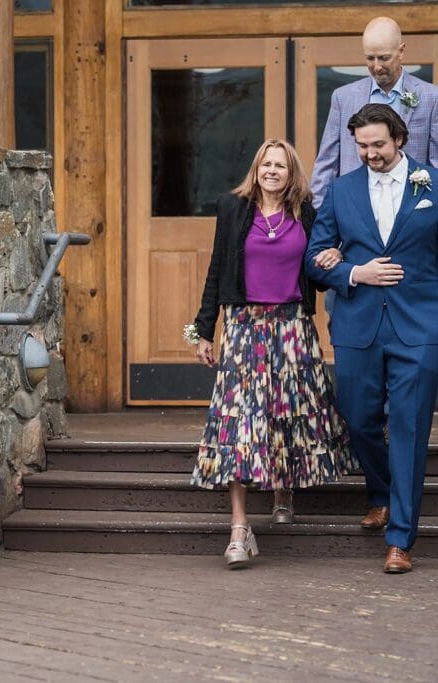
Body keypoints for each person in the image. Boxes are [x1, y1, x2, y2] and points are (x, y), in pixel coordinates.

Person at [304, 104, 438, 574]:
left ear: (399, 138)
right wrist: (353, 271)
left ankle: (400, 538)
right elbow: (314, 258)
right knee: (358, 419)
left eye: (378, 144)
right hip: (358, 323)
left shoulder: (435, 186)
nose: (370, 153)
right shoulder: (341, 191)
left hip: (418, 327)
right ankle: (380, 491)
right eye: (362, 146)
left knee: (409, 425)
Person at [190, 138, 357, 569]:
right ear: (256, 168)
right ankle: (239, 531)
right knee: (239, 427)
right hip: (245, 329)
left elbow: (317, 277)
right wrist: (204, 330)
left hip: (293, 329)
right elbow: (216, 269)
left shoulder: (307, 214)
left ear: (291, 172)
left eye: (280, 165)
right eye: (266, 164)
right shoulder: (232, 209)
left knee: (286, 415)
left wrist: (333, 257)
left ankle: (284, 490)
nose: (272, 171)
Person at [310, 16, 438, 209]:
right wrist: (319, 215)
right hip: (355, 209)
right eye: (370, 58)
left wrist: (437, 216)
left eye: (384, 58)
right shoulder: (343, 98)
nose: (376, 66)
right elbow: (327, 163)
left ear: (401, 51)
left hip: (410, 211)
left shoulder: (431, 97)